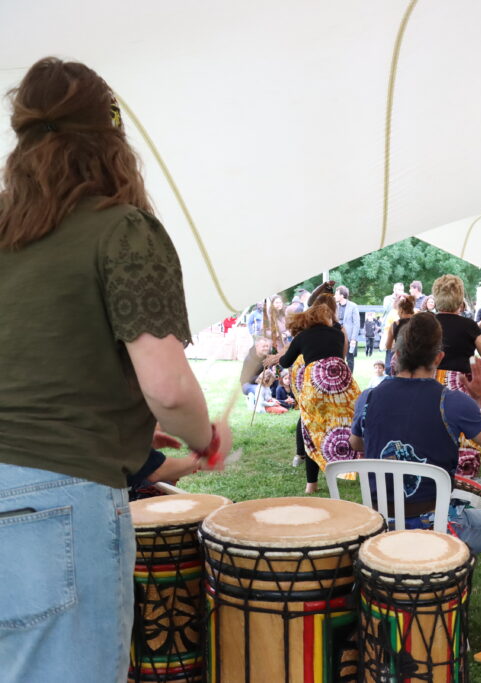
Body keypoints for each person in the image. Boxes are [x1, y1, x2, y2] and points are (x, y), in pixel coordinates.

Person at [0, 57, 231, 682]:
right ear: (110, 138)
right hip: (56, 501)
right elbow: (167, 386)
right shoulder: (121, 230)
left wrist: (119, 419)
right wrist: (203, 436)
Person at [349, 313, 481, 639]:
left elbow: (355, 443)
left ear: (397, 354)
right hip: (434, 526)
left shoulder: (369, 397)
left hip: (378, 523)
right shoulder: (452, 401)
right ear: (439, 358)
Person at [275, 290, 362, 494]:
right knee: (345, 425)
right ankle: (352, 468)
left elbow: (286, 362)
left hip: (315, 387)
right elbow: (340, 357)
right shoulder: (338, 332)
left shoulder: (302, 336)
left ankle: (311, 485)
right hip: (342, 384)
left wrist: (279, 356)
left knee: (312, 431)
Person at [432, 274, 481, 479]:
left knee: (434, 423)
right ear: (460, 299)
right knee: (463, 425)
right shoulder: (469, 325)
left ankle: (433, 464)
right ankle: (464, 470)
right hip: (462, 383)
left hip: (431, 381)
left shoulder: (428, 323)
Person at [384, 294, 415, 375]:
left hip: (400, 360)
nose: (397, 313)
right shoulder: (418, 322)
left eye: (397, 310)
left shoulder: (395, 324)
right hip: (416, 360)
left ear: (401, 310)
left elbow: (388, 346)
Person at [335, 285, 361, 371]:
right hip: (337, 337)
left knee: (350, 359)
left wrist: (353, 339)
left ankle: (350, 378)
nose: (335, 295)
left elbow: (356, 323)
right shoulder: (335, 306)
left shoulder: (353, 306)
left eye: (336, 294)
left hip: (349, 337)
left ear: (342, 295)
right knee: (338, 359)